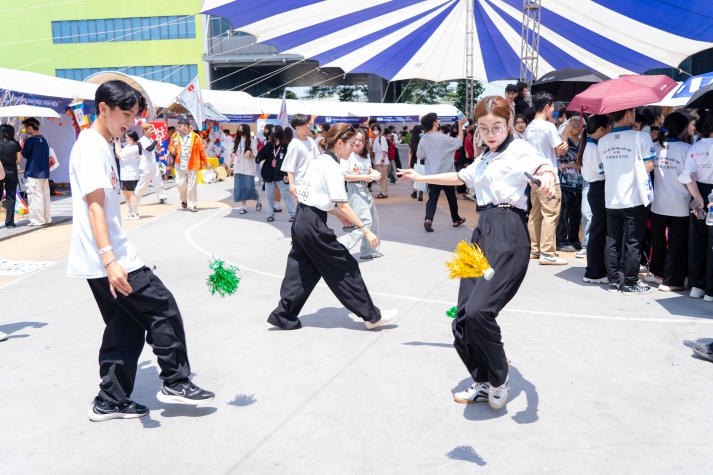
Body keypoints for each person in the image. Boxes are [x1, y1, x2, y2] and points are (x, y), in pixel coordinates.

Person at [67, 80, 214, 422]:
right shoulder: (91, 147)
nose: (130, 122)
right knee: (162, 308)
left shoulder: (103, 144)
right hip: (110, 258)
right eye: (126, 114)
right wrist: (110, 260)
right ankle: (175, 380)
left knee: (126, 326)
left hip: (101, 257)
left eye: (134, 115)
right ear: (103, 108)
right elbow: (94, 208)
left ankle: (111, 400)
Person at [400, 96, 558, 410]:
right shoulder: (485, 157)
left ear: (509, 122)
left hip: (507, 229)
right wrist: (421, 178)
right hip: (480, 232)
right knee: (460, 320)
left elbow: (543, 167)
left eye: (496, 126)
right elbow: (461, 176)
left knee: (479, 312)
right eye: (484, 128)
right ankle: (483, 381)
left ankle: (500, 377)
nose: (490, 133)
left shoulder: (519, 149)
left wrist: (548, 179)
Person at [267, 123, 395, 331]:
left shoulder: (319, 161)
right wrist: (365, 228)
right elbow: (343, 205)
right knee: (346, 267)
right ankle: (371, 316)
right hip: (314, 225)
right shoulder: (334, 167)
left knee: (301, 270)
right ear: (339, 143)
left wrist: (334, 213)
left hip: (302, 220)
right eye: (351, 144)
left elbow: (312, 197)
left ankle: (283, 314)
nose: (353, 148)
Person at [598, 107, 656, 294]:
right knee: (632, 242)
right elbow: (649, 166)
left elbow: (604, 171)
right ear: (629, 114)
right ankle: (630, 282)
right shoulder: (641, 137)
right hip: (633, 198)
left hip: (611, 198)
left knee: (612, 240)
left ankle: (614, 282)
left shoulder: (603, 141)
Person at [645, 111, 691, 292]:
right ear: (683, 129)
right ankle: (672, 281)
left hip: (658, 203)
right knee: (676, 244)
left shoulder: (655, 147)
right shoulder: (687, 149)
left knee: (658, 242)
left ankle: (657, 274)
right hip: (680, 204)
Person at [525, 91, 569, 265]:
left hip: (534, 176)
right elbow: (560, 150)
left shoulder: (529, 127)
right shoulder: (549, 126)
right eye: (552, 107)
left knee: (535, 214)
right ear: (546, 107)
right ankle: (548, 253)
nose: (553, 110)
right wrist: (564, 142)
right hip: (549, 176)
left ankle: (535, 250)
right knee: (550, 214)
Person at [680, 110, 713, 300]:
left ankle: (697, 286)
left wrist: (699, 199)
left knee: (698, 241)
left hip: (698, 194)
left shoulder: (695, 147)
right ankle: (710, 289)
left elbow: (688, 177)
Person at [417, 112, 468, 232]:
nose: (439, 121)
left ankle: (428, 219)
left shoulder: (423, 139)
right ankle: (456, 219)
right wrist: (460, 126)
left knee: (432, 198)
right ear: (435, 122)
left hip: (432, 174)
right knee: (451, 197)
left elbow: (420, 155)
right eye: (438, 119)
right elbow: (458, 143)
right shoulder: (443, 138)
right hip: (447, 173)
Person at [338, 127, 382, 259]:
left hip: (365, 190)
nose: (358, 143)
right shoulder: (348, 155)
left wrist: (376, 174)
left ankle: (369, 251)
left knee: (374, 221)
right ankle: (339, 247)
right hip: (354, 189)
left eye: (361, 140)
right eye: (355, 140)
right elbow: (345, 176)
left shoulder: (365, 155)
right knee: (364, 222)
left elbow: (368, 171)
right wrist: (363, 178)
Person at [578, 114, 612, 284]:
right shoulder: (593, 149)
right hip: (598, 190)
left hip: (596, 190)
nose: (610, 131)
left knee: (598, 230)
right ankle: (594, 271)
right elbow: (604, 172)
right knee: (597, 232)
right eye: (609, 128)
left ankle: (596, 269)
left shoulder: (591, 145)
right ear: (601, 130)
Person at [168, 119, 210, 212]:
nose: (178, 128)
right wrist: (172, 150)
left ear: (186, 127)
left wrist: (206, 163)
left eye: (179, 127)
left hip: (193, 164)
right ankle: (184, 200)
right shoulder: (175, 136)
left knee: (192, 186)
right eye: (177, 127)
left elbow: (201, 151)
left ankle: (192, 205)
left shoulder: (196, 137)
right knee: (180, 183)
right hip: (179, 164)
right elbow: (170, 146)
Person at [256, 125, 296, 222]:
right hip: (269, 174)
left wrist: (287, 174)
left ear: (278, 133)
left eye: (273, 131)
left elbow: (290, 161)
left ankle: (293, 214)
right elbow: (260, 155)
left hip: (281, 175)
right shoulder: (269, 145)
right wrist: (258, 157)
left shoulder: (286, 146)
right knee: (269, 196)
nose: (271, 133)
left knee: (286, 195)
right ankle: (270, 215)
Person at [21, 117, 52, 226]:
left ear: (30, 127)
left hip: (33, 172)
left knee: (35, 197)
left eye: (25, 127)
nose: (25, 130)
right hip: (44, 172)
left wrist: (23, 143)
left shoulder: (30, 140)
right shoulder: (44, 139)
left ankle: (37, 220)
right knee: (45, 196)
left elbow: (24, 155)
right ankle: (47, 218)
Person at [281, 113, 319, 198]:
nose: (308, 126)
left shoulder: (311, 141)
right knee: (305, 209)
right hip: (301, 184)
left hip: (314, 182)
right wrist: (292, 185)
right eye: (305, 125)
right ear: (297, 128)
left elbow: (317, 160)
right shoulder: (294, 144)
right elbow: (290, 167)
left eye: (308, 124)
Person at [134, 123, 168, 205]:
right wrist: (156, 141)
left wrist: (158, 144)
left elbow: (158, 152)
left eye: (152, 129)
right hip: (145, 166)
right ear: (145, 131)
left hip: (153, 164)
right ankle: (134, 200)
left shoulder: (152, 140)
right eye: (150, 129)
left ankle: (162, 197)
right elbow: (149, 148)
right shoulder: (143, 139)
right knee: (143, 185)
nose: (152, 131)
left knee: (158, 181)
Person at [232, 123, 261, 214]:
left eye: (241, 129)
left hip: (248, 168)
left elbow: (256, 155)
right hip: (238, 167)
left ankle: (258, 200)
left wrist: (249, 151)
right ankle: (243, 206)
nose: (239, 131)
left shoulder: (251, 141)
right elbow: (233, 154)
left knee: (249, 187)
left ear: (246, 130)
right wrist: (230, 166)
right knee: (240, 187)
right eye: (239, 129)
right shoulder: (236, 141)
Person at [115, 130, 142, 220]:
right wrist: (118, 142)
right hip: (125, 173)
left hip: (131, 173)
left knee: (130, 194)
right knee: (126, 194)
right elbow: (120, 151)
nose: (125, 139)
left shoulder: (134, 148)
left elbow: (119, 155)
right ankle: (131, 212)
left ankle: (135, 213)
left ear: (132, 138)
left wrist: (115, 143)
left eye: (126, 138)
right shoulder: (129, 146)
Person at [0, 124, 22, 228]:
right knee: (11, 197)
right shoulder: (15, 144)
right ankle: (9, 223)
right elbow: (18, 160)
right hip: (12, 172)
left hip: (0, 172)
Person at [371, 123, 390, 198]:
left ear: (379, 130)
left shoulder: (381, 138)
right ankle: (382, 192)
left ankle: (384, 193)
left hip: (383, 162)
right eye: (374, 129)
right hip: (378, 161)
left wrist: (382, 160)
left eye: (377, 129)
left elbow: (384, 150)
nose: (375, 131)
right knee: (380, 178)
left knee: (383, 178)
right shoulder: (376, 139)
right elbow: (375, 152)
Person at [408, 124, 424, 201]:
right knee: (421, 175)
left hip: (414, 160)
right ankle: (421, 192)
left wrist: (409, 162)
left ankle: (414, 192)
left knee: (413, 176)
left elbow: (410, 152)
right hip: (422, 160)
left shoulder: (412, 139)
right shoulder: (424, 138)